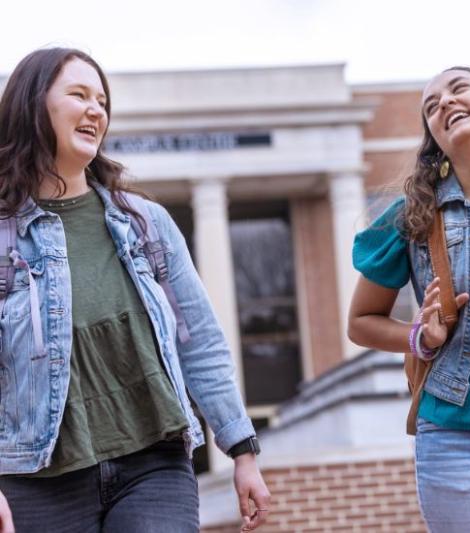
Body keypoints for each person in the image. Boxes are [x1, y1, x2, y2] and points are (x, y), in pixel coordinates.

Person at [0, 47, 270, 533]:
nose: (95, 110)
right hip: (36, 479)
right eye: (78, 95)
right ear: (32, 105)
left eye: (102, 101)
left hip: (153, 463)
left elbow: (200, 343)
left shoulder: (145, 224)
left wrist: (242, 450)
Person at [348, 66, 470, 532]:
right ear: (435, 138)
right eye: (432, 106)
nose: (444, 102)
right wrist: (419, 338)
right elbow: (361, 321)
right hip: (462, 449)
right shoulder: (414, 217)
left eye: (458, 89)